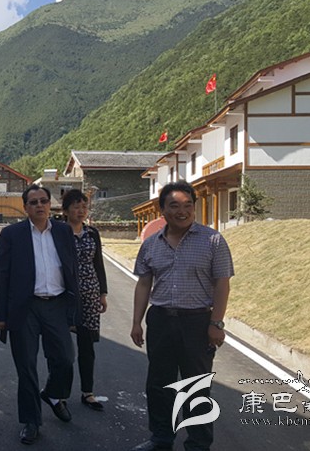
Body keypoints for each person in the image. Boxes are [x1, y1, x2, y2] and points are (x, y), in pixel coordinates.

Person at [129, 181, 234, 451]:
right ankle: (161, 438)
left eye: (188, 205)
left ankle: (198, 444)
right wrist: (136, 322)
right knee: (158, 383)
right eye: (174, 205)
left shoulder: (212, 240)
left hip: (197, 322)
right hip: (161, 320)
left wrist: (216, 323)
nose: (182, 211)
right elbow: (144, 283)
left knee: (196, 386)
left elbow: (222, 284)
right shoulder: (151, 244)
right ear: (162, 209)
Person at [0, 184, 80, 445]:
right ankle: (31, 421)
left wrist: (74, 307)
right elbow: (1, 275)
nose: (40, 205)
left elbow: (72, 268)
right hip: (25, 308)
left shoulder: (63, 231)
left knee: (65, 358)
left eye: (43, 201)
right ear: (25, 207)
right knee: (26, 366)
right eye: (34, 202)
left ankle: (53, 393)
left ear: (50, 204)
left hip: (56, 304)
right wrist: (1, 315)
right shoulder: (12, 234)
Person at [61, 189, 108, 412]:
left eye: (84, 207)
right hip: (65, 294)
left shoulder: (92, 233)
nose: (81, 211)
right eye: (76, 207)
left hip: (90, 293)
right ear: (66, 210)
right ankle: (60, 393)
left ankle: (87, 392)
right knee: (63, 349)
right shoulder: (58, 232)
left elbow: (98, 263)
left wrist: (102, 293)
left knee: (87, 346)